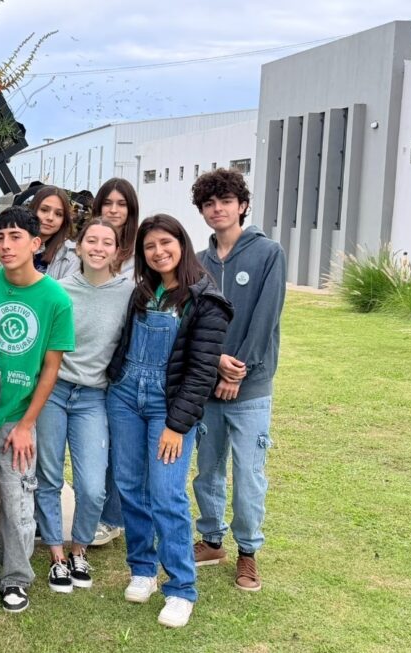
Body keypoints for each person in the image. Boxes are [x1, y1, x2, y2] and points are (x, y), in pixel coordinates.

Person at [106, 214, 232, 629]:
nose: (159, 252)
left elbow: (200, 372)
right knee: (129, 486)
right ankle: (142, 569)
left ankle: (180, 588)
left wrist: (177, 425)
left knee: (166, 494)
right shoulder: (143, 291)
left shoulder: (205, 300)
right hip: (125, 397)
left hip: (169, 406)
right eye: (149, 247)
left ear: (182, 243)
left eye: (166, 243)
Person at [0, 205, 75, 613]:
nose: (5, 246)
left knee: (17, 505)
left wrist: (27, 424)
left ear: (36, 243)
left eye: (15, 237)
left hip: (16, 421)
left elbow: (51, 368)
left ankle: (16, 577)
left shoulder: (55, 298)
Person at [190, 168, 286, 592]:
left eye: (225, 201)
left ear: (242, 205)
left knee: (248, 473)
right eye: (209, 204)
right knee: (207, 468)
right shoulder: (198, 262)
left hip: (251, 389)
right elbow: (192, 323)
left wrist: (238, 370)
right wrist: (214, 367)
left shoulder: (268, 253)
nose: (217, 209)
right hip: (208, 386)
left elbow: (265, 319)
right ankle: (212, 540)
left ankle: (248, 551)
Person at [34, 218, 134, 594]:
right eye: (91, 240)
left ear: (117, 250)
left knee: (92, 486)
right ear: (78, 246)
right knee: (48, 477)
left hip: (94, 397)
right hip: (54, 391)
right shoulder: (56, 290)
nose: (98, 247)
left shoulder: (128, 293)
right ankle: (57, 557)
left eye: (106, 242)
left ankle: (80, 550)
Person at [88, 176, 142, 546]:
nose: (113, 209)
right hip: (94, 360)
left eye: (121, 204)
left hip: (131, 358)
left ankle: (113, 517)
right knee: (99, 445)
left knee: (121, 446)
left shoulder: (141, 252)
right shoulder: (91, 244)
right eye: (107, 203)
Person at [29, 186, 80, 279]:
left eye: (58, 214)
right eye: (44, 210)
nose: (50, 218)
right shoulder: (15, 244)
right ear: (33, 210)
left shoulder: (71, 256)